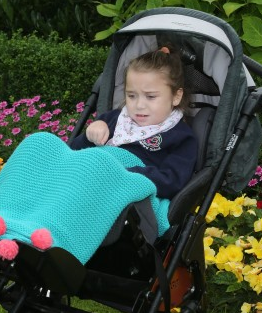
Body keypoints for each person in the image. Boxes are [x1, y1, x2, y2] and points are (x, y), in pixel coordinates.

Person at [70, 46, 198, 199]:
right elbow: (73, 152)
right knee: (42, 142)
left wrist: (122, 173)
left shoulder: (181, 138)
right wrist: (89, 136)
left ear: (176, 97)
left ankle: (51, 220)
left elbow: (172, 182)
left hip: (126, 193)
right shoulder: (113, 119)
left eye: (150, 97)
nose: (139, 105)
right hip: (88, 178)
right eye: (131, 96)